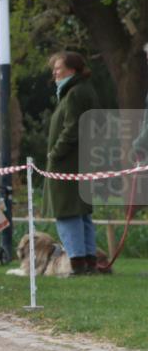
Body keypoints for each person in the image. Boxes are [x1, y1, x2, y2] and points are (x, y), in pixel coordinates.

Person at [44, 52, 101, 275]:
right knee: (82, 213)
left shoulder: (75, 93)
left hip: (68, 163)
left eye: (58, 68)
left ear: (72, 70)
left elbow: (72, 128)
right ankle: (88, 262)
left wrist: (55, 154)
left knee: (67, 212)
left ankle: (77, 263)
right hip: (80, 161)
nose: (54, 73)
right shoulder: (82, 90)